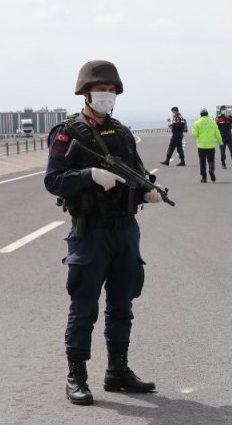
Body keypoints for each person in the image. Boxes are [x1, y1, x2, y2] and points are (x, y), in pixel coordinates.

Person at [45, 60, 161, 406]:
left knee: (122, 305)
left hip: (125, 230)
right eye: (101, 90)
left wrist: (147, 190)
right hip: (90, 232)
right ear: (85, 93)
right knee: (84, 308)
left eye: (111, 91)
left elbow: (136, 173)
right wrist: (90, 176)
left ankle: (118, 372)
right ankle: (76, 377)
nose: (106, 96)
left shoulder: (122, 133)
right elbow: (53, 180)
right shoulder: (68, 134)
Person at [192, 108, 223, 183]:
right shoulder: (212, 122)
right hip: (211, 146)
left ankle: (204, 177)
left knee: (202, 162)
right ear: (207, 114)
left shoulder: (197, 122)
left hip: (201, 146)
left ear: (201, 114)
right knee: (211, 160)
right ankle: (211, 169)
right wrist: (220, 142)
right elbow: (217, 133)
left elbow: (194, 134)